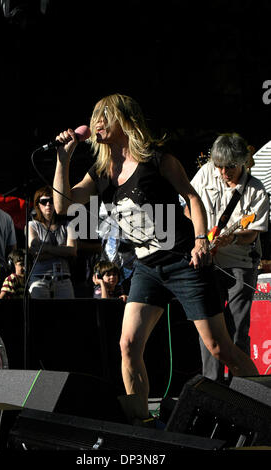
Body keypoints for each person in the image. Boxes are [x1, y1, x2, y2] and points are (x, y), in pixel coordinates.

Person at [53, 93, 259, 422]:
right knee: (129, 344)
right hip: (147, 267)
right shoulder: (101, 170)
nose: (97, 123)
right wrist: (63, 159)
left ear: (124, 119)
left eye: (104, 116)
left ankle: (265, 405)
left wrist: (199, 240)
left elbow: (191, 198)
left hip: (182, 260)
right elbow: (64, 206)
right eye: (95, 118)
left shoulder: (157, 159)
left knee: (220, 347)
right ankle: (140, 422)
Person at [186, 133, 269, 382]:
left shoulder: (256, 190)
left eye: (230, 167)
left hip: (240, 263)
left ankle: (242, 389)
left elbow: (251, 234)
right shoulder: (204, 174)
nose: (223, 172)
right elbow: (187, 206)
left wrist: (231, 237)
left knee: (237, 330)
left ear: (243, 161)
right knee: (210, 331)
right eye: (219, 166)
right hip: (209, 262)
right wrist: (202, 235)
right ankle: (211, 386)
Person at [28, 185, 77, 299]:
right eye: (44, 201)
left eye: (51, 201)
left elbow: (73, 251)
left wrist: (45, 247)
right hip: (40, 279)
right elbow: (36, 253)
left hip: (63, 279)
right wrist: (62, 250)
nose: (48, 205)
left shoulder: (69, 224)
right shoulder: (32, 225)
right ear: (37, 205)